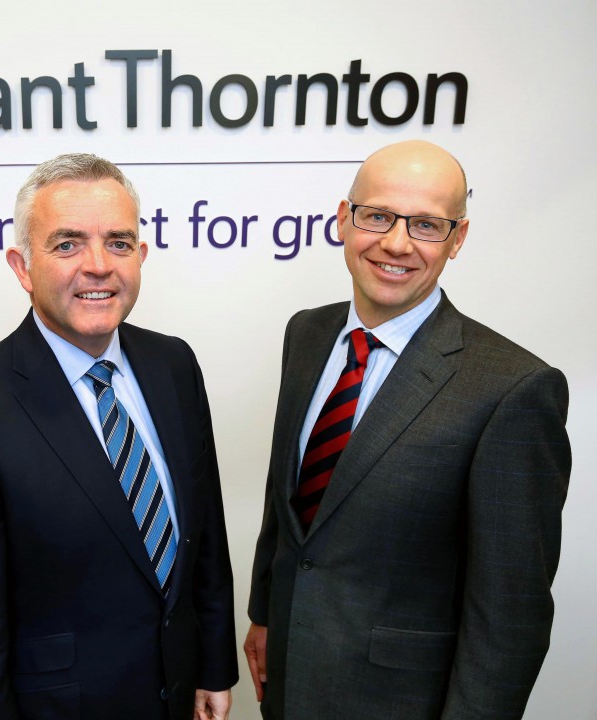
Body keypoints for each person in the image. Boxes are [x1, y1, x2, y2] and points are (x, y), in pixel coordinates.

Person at [244, 140, 571, 719]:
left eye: (426, 225)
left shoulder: (513, 388)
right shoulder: (308, 334)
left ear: (458, 239)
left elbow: (509, 617)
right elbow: (286, 502)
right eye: (377, 216)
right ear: (344, 220)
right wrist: (266, 614)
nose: (396, 243)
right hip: (289, 682)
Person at [0, 153, 238, 720]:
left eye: (119, 242)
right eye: (67, 245)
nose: (98, 265)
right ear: (22, 265)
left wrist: (212, 664)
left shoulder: (173, 364)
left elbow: (203, 537)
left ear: (142, 255)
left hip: (178, 693)